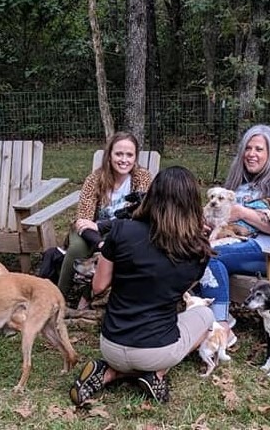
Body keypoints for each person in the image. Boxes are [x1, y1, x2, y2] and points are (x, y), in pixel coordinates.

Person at [69, 166, 215, 405]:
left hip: (111, 344)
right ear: (193, 204)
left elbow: (98, 286)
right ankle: (154, 374)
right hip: (156, 350)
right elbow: (181, 290)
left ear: (152, 195)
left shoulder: (121, 230)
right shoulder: (198, 250)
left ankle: (111, 372)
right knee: (206, 315)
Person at [198, 124, 270, 335]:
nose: (251, 154)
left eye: (259, 149)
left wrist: (243, 213)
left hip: (269, 251)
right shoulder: (240, 184)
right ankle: (205, 315)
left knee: (211, 255)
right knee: (188, 248)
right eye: (248, 148)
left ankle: (220, 325)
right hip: (233, 242)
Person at [57, 131, 153, 309]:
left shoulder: (142, 177)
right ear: (109, 155)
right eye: (119, 154)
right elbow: (83, 219)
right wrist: (100, 243)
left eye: (129, 155)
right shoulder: (95, 179)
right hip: (89, 231)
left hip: (124, 230)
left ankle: (91, 298)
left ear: (135, 157)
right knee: (77, 247)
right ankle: (59, 297)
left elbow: (138, 214)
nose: (124, 160)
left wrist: (102, 226)